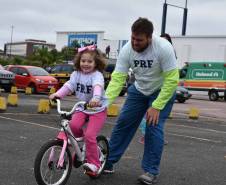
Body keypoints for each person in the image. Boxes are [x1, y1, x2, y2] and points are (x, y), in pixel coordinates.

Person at [104, 17, 179, 184]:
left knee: (153, 126)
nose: (135, 43)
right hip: (139, 89)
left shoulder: (163, 48)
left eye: (139, 40)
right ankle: (107, 162)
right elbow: (118, 78)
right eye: (133, 38)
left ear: (149, 38)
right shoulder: (127, 50)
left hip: (161, 91)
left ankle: (150, 171)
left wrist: (157, 106)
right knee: (123, 123)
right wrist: (104, 103)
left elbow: (172, 79)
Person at [49, 44, 107, 176]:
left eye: (89, 61)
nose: (86, 64)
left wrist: (96, 98)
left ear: (96, 63)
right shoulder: (76, 74)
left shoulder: (97, 75)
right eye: (83, 61)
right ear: (78, 61)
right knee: (73, 126)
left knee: (90, 135)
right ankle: (81, 149)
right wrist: (58, 94)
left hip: (97, 109)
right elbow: (69, 86)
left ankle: (95, 164)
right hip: (82, 107)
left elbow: (97, 86)